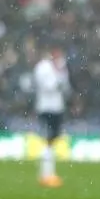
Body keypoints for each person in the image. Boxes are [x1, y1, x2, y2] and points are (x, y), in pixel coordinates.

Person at [33, 47, 70, 187]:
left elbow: (65, 86)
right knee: (47, 140)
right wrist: (58, 74)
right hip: (46, 108)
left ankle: (48, 174)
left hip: (57, 107)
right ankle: (46, 174)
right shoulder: (42, 68)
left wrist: (60, 73)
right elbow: (48, 86)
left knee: (52, 140)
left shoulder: (60, 66)